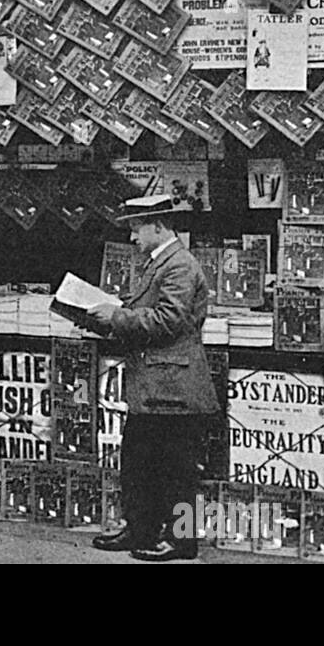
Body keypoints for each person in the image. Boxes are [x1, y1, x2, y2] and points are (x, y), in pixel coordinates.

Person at [86, 194, 220, 562]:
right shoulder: (160, 262)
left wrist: (116, 316)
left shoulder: (178, 266)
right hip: (157, 384)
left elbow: (168, 320)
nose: (132, 237)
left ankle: (183, 541)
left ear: (158, 225)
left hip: (173, 386)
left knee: (178, 470)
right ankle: (141, 529)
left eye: (136, 228)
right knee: (140, 463)